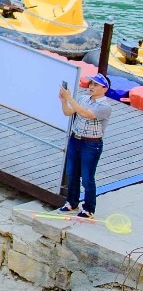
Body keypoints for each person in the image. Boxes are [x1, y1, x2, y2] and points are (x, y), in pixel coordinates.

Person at [57, 73, 114, 221]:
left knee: (87, 177)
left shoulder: (105, 106)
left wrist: (69, 98)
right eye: (91, 83)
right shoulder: (83, 98)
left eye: (96, 85)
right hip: (75, 139)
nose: (91, 87)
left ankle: (89, 208)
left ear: (104, 89)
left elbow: (85, 113)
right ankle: (72, 202)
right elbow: (68, 112)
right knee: (71, 173)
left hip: (91, 143)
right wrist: (64, 101)